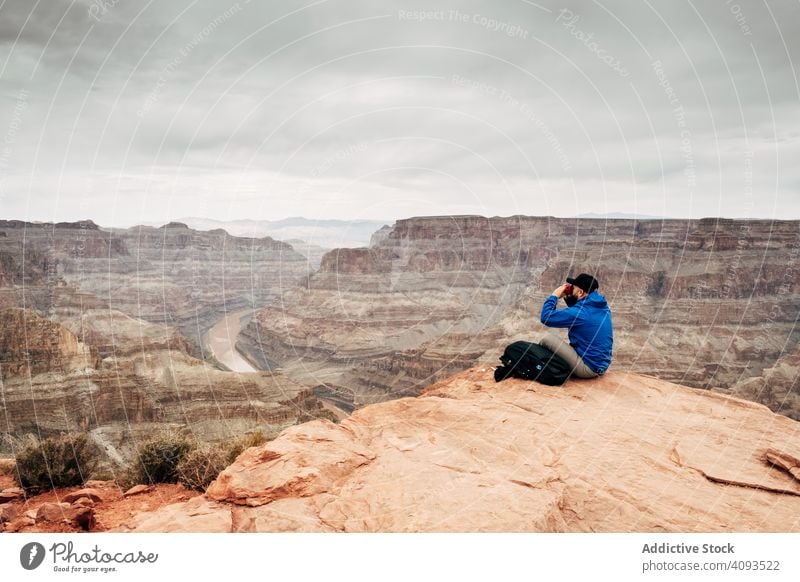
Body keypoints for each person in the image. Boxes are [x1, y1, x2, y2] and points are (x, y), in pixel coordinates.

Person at [539, 273, 613, 378]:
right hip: (600, 365)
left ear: (581, 292)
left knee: (547, 339)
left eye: (573, 288)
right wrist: (573, 299)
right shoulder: (603, 307)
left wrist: (554, 296)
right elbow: (585, 319)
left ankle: (543, 369)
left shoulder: (580, 313)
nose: (571, 289)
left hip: (587, 368)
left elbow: (546, 317)